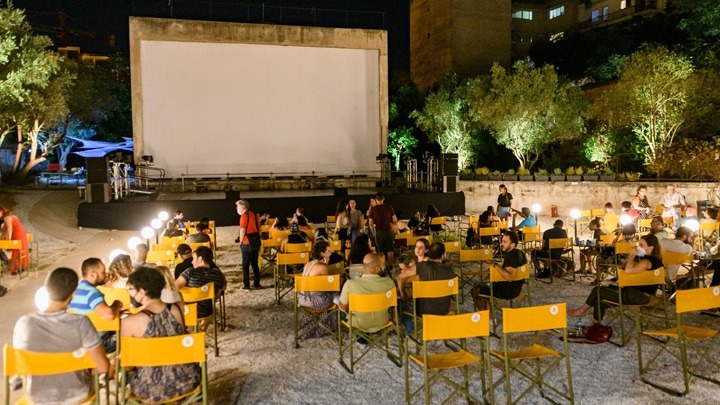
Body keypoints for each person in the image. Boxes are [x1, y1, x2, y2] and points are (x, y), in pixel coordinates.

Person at [13, 267, 111, 405]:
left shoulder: (24, 323)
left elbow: (21, 365)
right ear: (73, 294)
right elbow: (103, 367)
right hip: (77, 395)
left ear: (45, 289)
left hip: (37, 397)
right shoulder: (80, 323)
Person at [122, 267, 201, 403]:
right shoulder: (178, 308)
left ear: (142, 292)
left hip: (149, 387)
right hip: (186, 380)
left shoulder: (130, 322)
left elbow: (128, 365)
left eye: (131, 289)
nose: (130, 293)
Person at [569, 234, 664, 323]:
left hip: (637, 296)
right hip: (638, 294)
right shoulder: (655, 261)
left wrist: (631, 256)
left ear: (650, 248)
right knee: (600, 301)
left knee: (597, 290)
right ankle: (595, 325)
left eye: (641, 245)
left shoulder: (646, 262)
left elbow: (628, 271)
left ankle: (581, 311)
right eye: (638, 244)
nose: (638, 247)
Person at [396, 243, 456, 334]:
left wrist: (403, 295)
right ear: (443, 255)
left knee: (404, 304)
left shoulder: (421, 266)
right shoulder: (449, 270)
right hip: (443, 310)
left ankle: (411, 331)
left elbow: (399, 278)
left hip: (423, 312)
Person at [68, 258, 123, 352]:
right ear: (93, 274)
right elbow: (109, 315)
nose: (105, 275)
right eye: (102, 272)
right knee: (129, 337)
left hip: (78, 341)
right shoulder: (92, 293)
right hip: (98, 343)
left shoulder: (73, 290)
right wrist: (116, 304)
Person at [338, 253, 396, 333]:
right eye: (383, 265)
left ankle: (361, 336)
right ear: (377, 269)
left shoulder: (350, 284)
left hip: (358, 323)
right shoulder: (389, 283)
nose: (385, 267)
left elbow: (343, 308)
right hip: (382, 321)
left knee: (340, 307)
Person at [471, 231, 527, 311]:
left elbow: (510, 277)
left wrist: (496, 265)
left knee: (475, 290)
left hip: (505, 292)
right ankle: (487, 306)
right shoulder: (521, 253)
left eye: (505, 242)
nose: (502, 244)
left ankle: (487, 314)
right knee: (486, 283)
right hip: (517, 290)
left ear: (512, 245)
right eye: (502, 241)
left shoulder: (510, 256)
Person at [175, 246, 226, 322]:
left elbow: (174, 287)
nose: (192, 262)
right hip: (207, 312)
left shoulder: (190, 272)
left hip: (188, 311)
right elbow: (220, 292)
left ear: (200, 259)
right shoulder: (219, 276)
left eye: (194, 258)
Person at [298, 241, 336, 338]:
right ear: (322, 253)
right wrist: (326, 265)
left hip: (303, 299)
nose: (330, 253)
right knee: (336, 296)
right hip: (316, 302)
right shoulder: (322, 267)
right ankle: (328, 326)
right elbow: (327, 287)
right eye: (328, 251)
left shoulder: (309, 263)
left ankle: (320, 325)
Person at [367, 192, 398, 266]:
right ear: (383, 199)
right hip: (388, 231)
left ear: (376, 199)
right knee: (390, 250)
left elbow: (370, 223)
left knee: (380, 252)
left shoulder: (373, 209)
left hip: (378, 232)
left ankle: (382, 266)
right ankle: (391, 266)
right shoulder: (389, 208)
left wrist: (374, 233)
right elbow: (394, 220)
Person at [237, 199, 262, 290]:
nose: (237, 208)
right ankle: (256, 283)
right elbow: (259, 228)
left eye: (238, 206)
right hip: (255, 241)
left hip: (247, 242)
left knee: (245, 265)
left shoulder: (244, 216)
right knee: (255, 264)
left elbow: (242, 230)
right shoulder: (255, 215)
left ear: (243, 207)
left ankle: (246, 284)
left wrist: (241, 241)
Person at [0, 204, 28, 275]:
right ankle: (19, 268)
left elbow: (9, 229)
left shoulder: (7, 217)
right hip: (21, 234)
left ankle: (15, 269)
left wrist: (8, 241)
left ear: (1, 211)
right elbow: (4, 230)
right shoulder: (10, 216)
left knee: (15, 251)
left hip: (17, 235)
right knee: (18, 251)